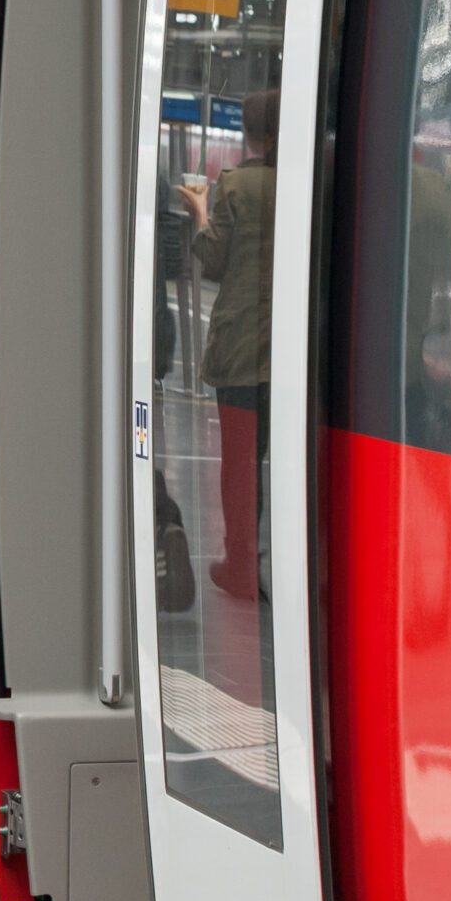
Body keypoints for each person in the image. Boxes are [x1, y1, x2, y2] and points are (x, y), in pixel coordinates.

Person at [175, 87, 277, 601]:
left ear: (249, 133)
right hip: (291, 356)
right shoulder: (305, 184)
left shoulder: (236, 185)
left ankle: (240, 565)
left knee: (240, 463)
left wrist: (199, 210)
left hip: (241, 350)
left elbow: (212, 261)